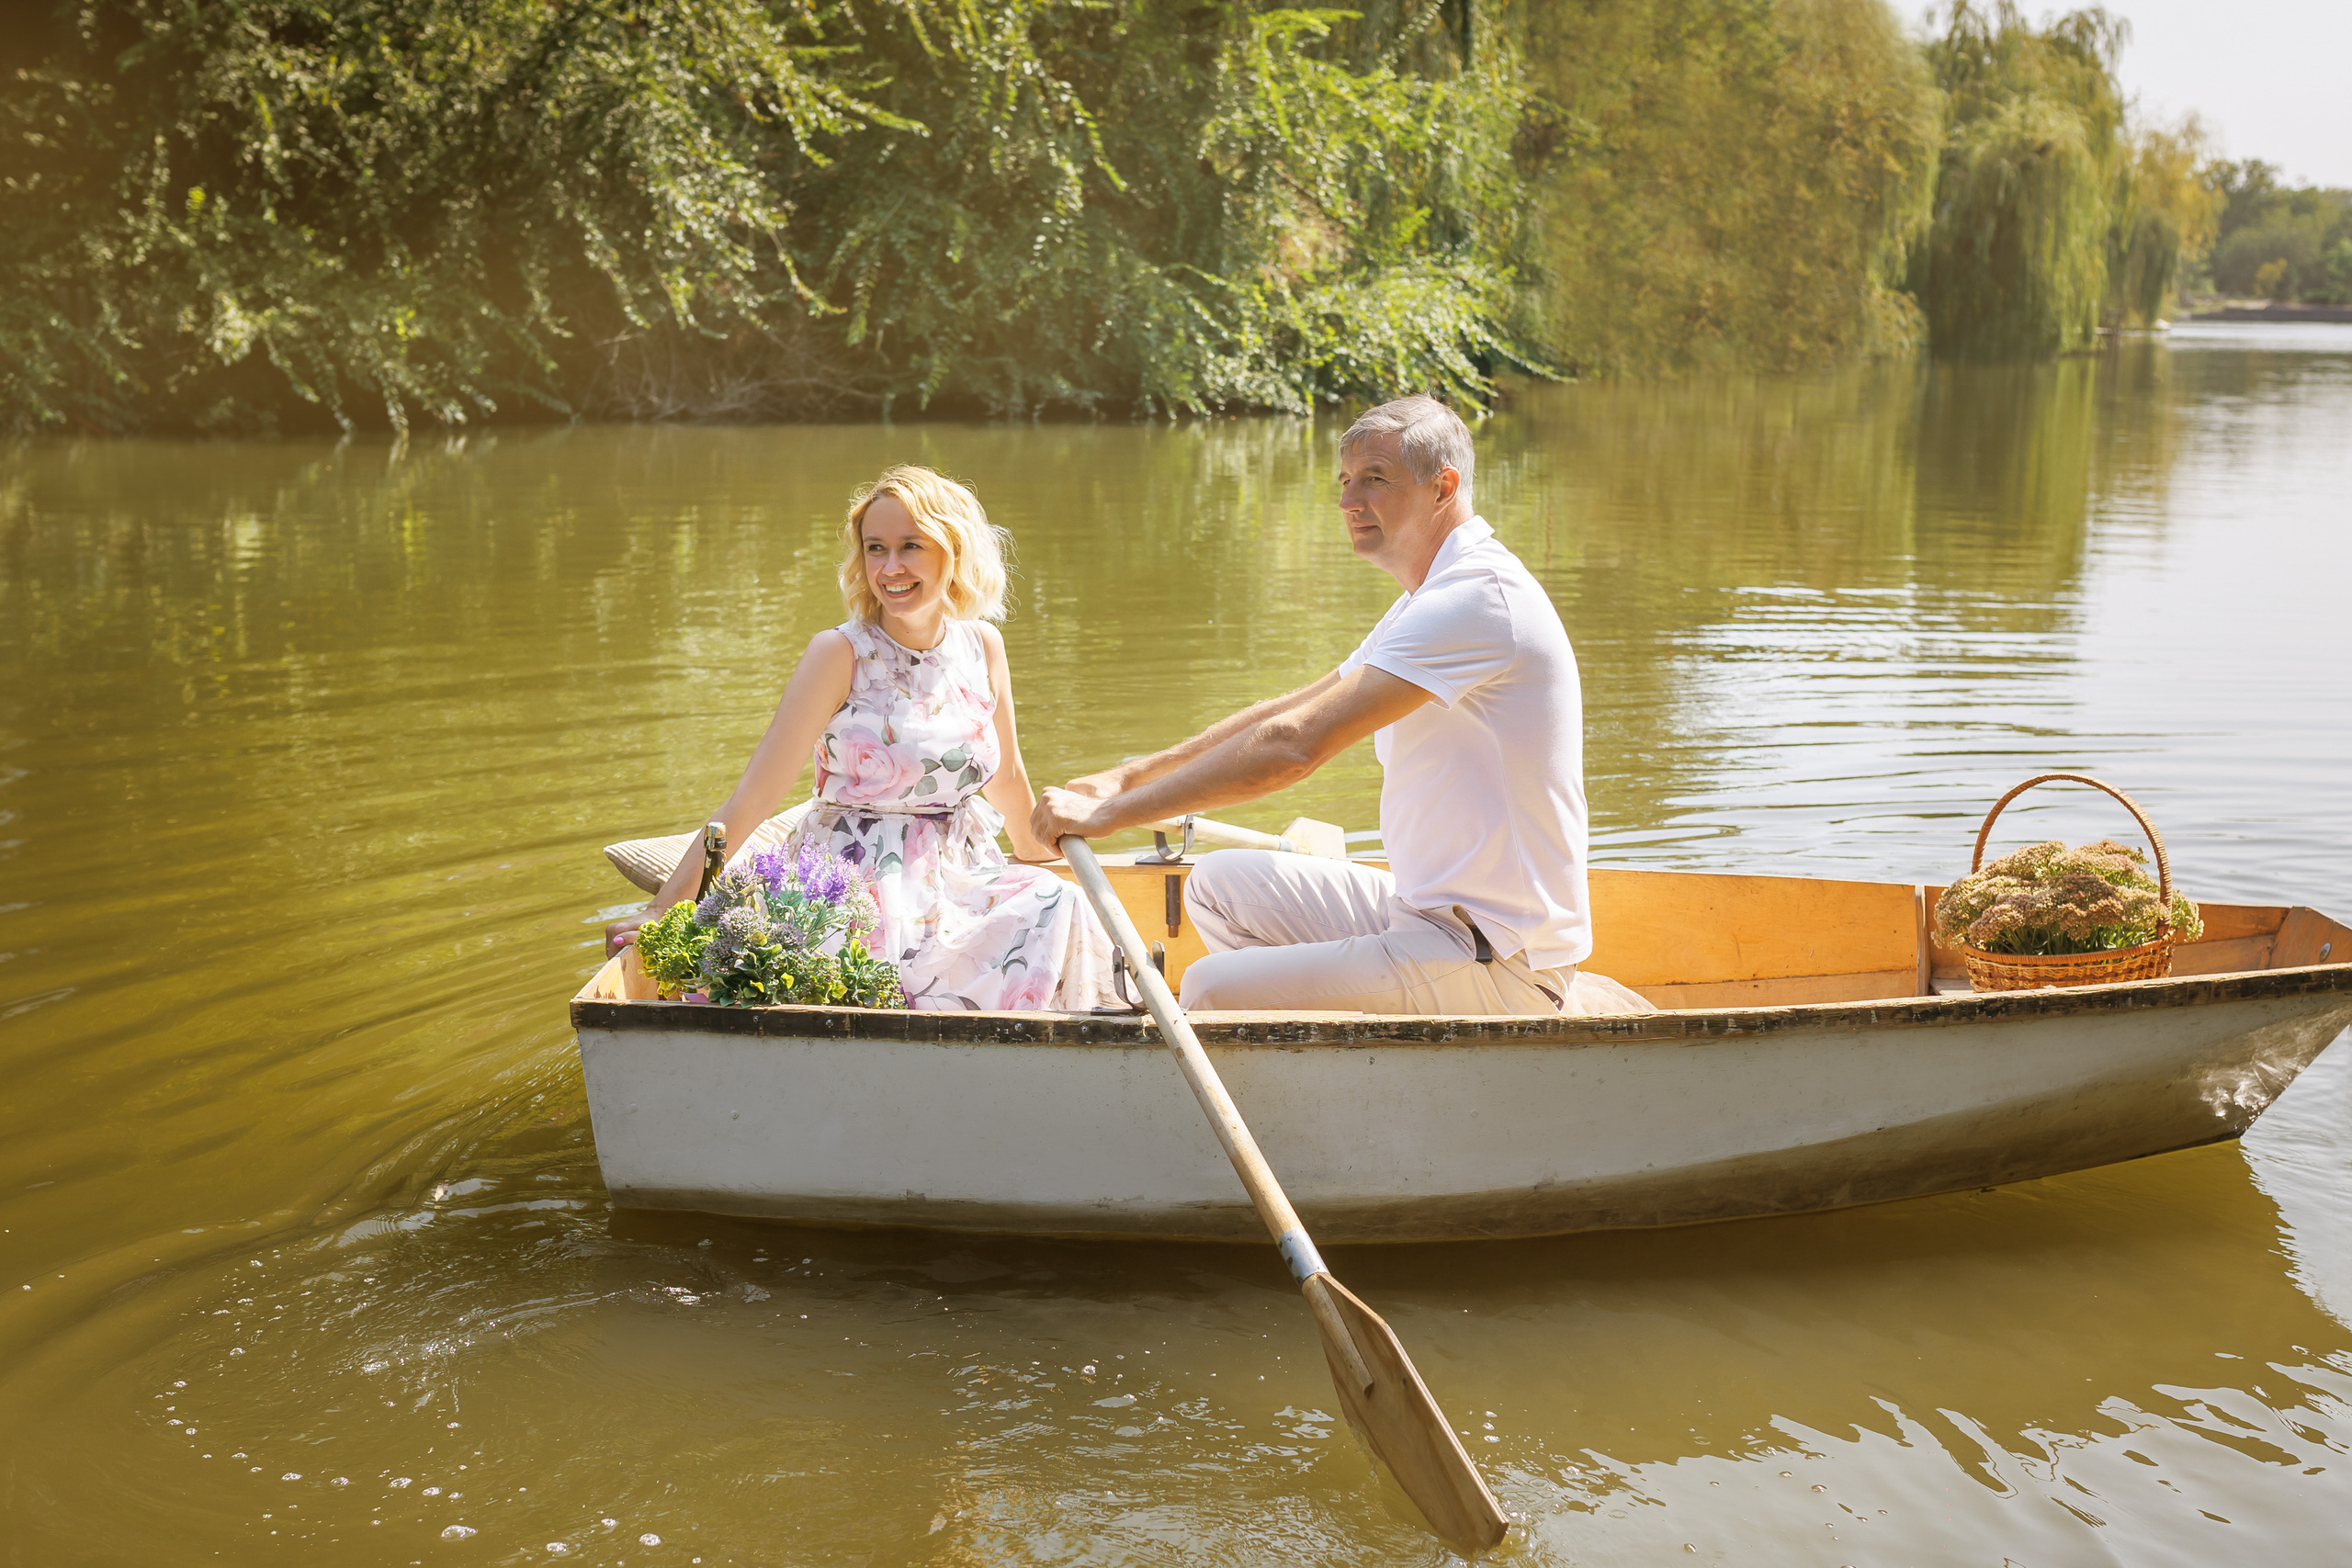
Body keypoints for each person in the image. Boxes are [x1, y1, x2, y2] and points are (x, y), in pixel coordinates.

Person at [1032, 395, 1647, 1017]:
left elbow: (1293, 747)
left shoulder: (1478, 598)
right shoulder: (1429, 595)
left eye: (1375, 480)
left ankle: (1335, 1076)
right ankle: (1338, 1056)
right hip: (1425, 915)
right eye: (1346, 481)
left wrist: (1113, 814)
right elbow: (1292, 709)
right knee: (1219, 887)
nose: (1351, 502)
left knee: (1212, 987)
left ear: (1445, 486)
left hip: (1498, 956)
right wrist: (1125, 777)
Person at [610, 465, 1117, 1011]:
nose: (890, 568)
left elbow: (1009, 778)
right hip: (855, 880)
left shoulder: (983, 645)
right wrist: (665, 908)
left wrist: (1048, 855)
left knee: (1058, 902)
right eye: (876, 548)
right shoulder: (840, 653)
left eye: (910, 547)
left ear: (954, 550)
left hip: (959, 872)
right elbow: (754, 797)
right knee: (893, 976)